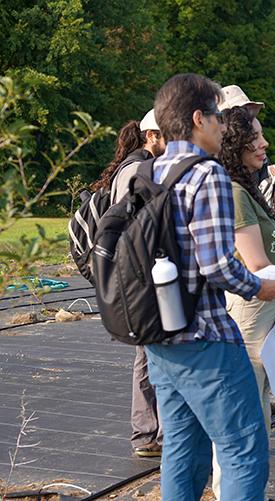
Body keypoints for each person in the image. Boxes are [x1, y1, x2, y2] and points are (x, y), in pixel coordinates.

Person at [145, 73, 275, 500]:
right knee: (243, 447)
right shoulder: (207, 175)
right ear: (197, 118)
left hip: (158, 335)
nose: (225, 127)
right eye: (220, 118)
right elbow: (219, 267)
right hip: (205, 338)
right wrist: (264, 287)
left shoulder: (150, 172)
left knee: (183, 454)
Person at [210, 103, 275, 499]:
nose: (265, 143)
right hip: (251, 313)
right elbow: (258, 263)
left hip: (268, 308)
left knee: (259, 409)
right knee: (246, 416)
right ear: (234, 144)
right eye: (255, 137)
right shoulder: (232, 192)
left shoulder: (247, 186)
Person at [91, 111, 166, 458]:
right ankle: (149, 432)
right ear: (152, 136)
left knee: (145, 356)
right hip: (140, 275)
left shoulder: (133, 167)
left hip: (134, 273)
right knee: (148, 356)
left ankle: (147, 433)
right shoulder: (140, 170)